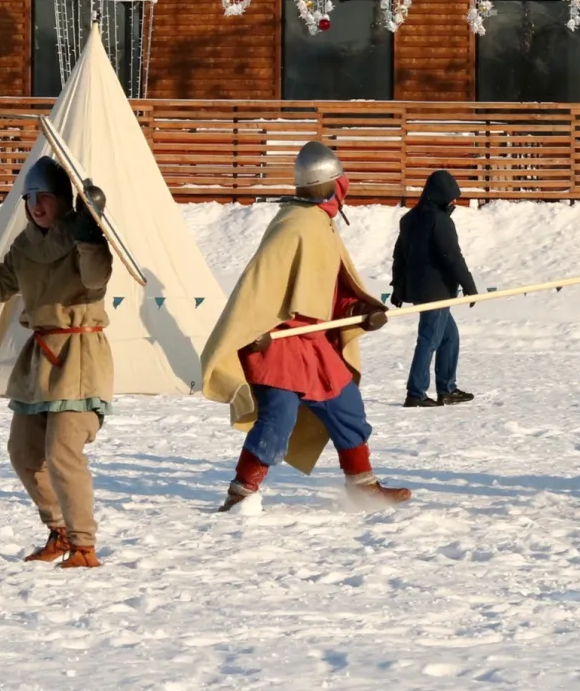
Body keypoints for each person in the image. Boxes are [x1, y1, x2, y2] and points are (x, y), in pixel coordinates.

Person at [201, 142, 409, 512]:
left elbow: (327, 289)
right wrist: (255, 325)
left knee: (347, 408)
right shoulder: (295, 225)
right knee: (277, 419)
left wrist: (358, 308)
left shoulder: (319, 224)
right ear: (332, 185)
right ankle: (241, 494)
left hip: (313, 344)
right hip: (279, 343)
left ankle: (364, 486)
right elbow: (260, 285)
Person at [0, 155, 114, 569]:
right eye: (30, 197)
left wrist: (90, 238)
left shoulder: (86, 237)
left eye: (44, 196)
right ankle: (59, 529)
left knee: (63, 452)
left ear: (63, 200)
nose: (36, 205)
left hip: (79, 357)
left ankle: (83, 545)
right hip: (39, 360)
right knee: (24, 452)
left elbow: (97, 279)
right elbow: (0, 289)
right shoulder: (25, 245)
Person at [391, 169, 479, 408]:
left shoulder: (409, 218)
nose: (453, 202)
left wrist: (398, 288)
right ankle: (416, 393)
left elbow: (400, 256)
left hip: (420, 291)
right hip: (436, 291)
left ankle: (447, 389)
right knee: (429, 339)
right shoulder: (439, 220)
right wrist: (469, 285)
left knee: (449, 337)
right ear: (439, 195)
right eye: (451, 198)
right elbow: (452, 256)